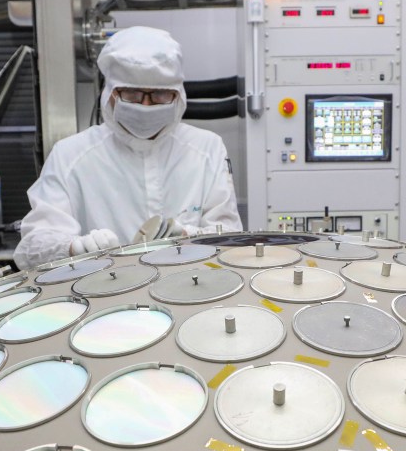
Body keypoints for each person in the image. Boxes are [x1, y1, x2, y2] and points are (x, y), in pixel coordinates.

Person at [13, 26, 241, 269]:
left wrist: (188, 236)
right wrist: (73, 248)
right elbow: (32, 248)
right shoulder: (70, 156)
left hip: (193, 284)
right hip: (103, 288)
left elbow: (231, 237)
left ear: (178, 95)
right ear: (110, 92)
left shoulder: (206, 148)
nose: (146, 105)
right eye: (132, 94)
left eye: (160, 95)